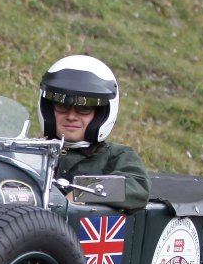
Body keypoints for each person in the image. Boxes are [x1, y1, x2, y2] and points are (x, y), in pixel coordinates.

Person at [39, 54, 150, 212]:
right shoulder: (33, 153)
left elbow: (137, 187)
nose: (71, 116)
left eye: (84, 109)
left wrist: (83, 192)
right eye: (62, 106)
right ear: (49, 110)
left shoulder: (115, 156)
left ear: (99, 115)